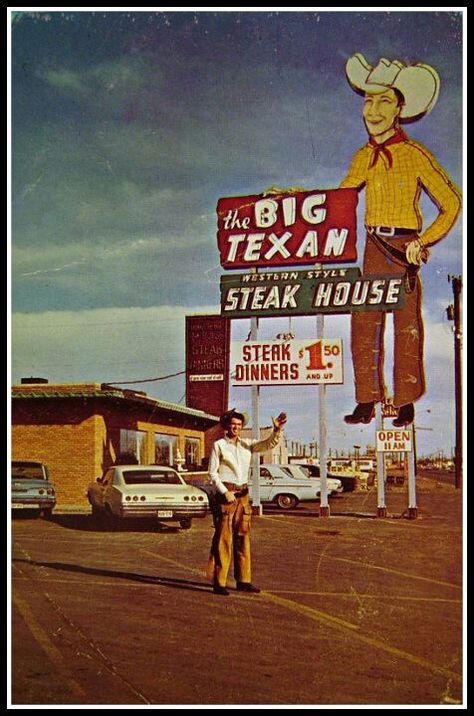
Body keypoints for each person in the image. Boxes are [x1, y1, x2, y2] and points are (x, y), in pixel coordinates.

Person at [340, 54, 461, 428]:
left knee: (405, 325)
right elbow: (341, 196)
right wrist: (298, 200)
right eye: (368, 100)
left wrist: (422, 241)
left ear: (400, 109)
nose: (373, 110)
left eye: (384, 101)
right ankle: (366, 399)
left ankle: (405, 401)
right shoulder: (363, 156)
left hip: (404, 246)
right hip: (373, 245)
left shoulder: (413, 155)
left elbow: (451, 203)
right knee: (363, 321)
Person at [206, 407, 287, 596]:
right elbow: (212, 473)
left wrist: (277, 430)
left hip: (243, 497)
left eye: (239, 424)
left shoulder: (247, 444)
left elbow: (268, 444)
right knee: (224, 540)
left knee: (243, 539)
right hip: (227, 498)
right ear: (227, 425)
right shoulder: (219, 445)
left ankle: (244, 580)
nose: (236, 427)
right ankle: (219, 582)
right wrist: (225, 492)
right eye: (233, 424)